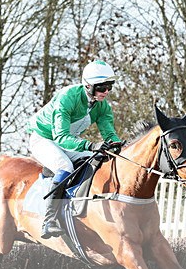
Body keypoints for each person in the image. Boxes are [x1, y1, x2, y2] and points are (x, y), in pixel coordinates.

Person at [26, 60, 124, 239]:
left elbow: (109, 132)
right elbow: (61, 137)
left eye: (109, 87)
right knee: (65, 167)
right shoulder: (68, 97)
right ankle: (49, 220)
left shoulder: (101, 105)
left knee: (97, 159)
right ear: (88, 85)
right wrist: (90, 145)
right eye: (102, 88)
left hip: (67, 140)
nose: (107, 92)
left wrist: (117, 145)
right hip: (44, 138)